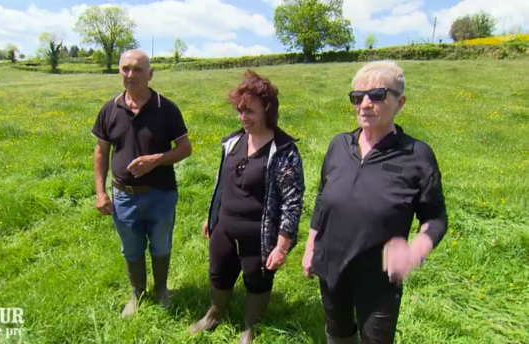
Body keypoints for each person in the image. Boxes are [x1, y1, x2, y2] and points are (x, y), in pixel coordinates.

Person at [302, 60, 448, 344]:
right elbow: (322, 200)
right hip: (331, 264)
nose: (365, 104)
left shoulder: (417, 156)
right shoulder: (338, 146)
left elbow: (436, 217)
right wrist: (311, 248)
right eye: (357, 97)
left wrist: (415, 250)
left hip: (378, 278)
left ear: (400, 102)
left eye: (377, 95)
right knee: (338, 332)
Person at [189, 69, 305, 344]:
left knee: (258, 279)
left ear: (267, 109)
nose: (243, 117)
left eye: (249, 111)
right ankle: (215, 313)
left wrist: (282, 246)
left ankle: (250, 328)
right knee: (218, 272)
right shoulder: (232, 142)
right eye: (240, 111)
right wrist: (212, 215)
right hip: (224, 226)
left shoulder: (284, 150)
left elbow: (292, 202)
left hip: (259, 234)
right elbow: (222, 182)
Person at [91, 49, 192, 319]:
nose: (130, 74)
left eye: (137, 69)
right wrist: (101, 192)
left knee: (161, 245)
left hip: (160, 194)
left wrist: (157, 160)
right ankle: (137, 293)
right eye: (125, 69)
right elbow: (101, 151)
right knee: (131, 248)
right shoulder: (109, 109)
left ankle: (161, 291)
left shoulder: (166, 108)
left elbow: (185, 148)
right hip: (123, 196)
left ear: (150, 74)